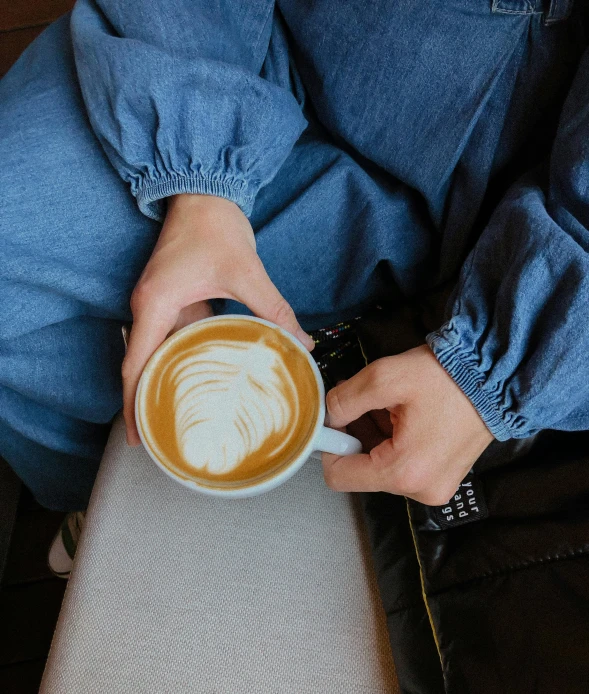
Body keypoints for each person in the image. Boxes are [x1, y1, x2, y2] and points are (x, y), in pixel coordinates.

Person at [1, 0, 588, 560]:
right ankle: (89, 499)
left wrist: (501, 369)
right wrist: (199, 181)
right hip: (257, 48)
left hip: (526, 183)